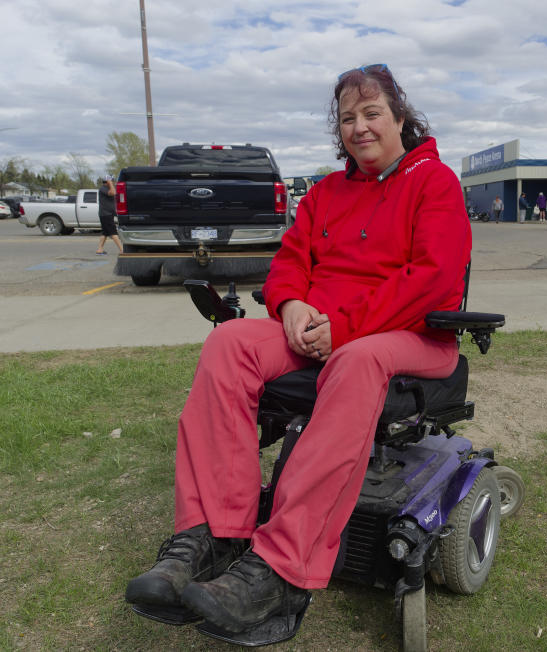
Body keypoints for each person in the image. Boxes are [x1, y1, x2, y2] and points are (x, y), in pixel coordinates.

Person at [124, 63, 472, 640]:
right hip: (322, 334)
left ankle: (282, 569)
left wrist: (344, 327)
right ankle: (214, 534)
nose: (359, 127)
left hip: (412, 337)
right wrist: (289, 306)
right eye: (347, 119)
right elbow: (289, 263)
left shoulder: (433, 182)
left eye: (372, 113)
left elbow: (433, 280)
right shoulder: (326, 194)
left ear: (400, 118)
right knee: (231, 341)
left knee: (358, 360)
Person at [95, 176, 123, 255]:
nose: (114, 183)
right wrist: (110, 183)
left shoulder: (107, 189)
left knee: (105, 233)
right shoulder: (103, 188)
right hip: (105, 214)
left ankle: (99, 250)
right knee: (113, 232)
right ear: (107, 182)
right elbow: (113, 193)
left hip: (107, 214)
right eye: (112, 181)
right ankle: (122, 250)